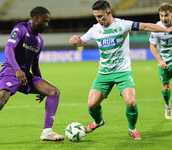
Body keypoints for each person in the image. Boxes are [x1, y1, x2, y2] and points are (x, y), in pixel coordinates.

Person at [69, 0, 172, 140]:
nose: (98, 19)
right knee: (92, 104)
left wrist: (165, 30)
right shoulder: (95, 29)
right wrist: (76, 41)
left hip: (123, 72)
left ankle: (132, 129)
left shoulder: (122, 25)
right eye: (96, 17)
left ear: (108, 13)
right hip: (104, 73)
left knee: (130, 102)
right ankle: (99, 121)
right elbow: (81, 42)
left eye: (100, 16)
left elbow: (146, 27)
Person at [0, 6, 65, 147]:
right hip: (10, 70)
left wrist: (41, 86)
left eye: (48, 22)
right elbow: (8, 48)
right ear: (36, 19)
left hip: (25, 74)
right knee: (1, 101)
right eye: (45, 21)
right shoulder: (21, 28)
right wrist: (17, 69)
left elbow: (35, 64)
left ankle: (47, 131)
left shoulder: (40, 40)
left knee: (53, 91)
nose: (47, 25)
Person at [149, 3, 172, 119]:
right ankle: (168, 107)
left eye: (166, 15)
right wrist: (160, 61)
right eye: (161, 15)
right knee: (166, 87)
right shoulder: (157, 28)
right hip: (165, 62)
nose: (163, 18)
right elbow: (152, 46)